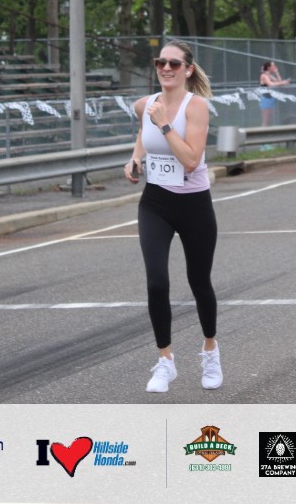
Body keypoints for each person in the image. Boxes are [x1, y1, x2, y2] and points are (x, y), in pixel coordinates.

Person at [124, 40, 223, 393]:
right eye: (160, 62)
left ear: (188, 70)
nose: (166, 68)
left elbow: (191, 160)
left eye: (174, 64)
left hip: (194, 205)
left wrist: (166, 125)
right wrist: (135, 157)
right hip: (156, 204)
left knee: (199, 282)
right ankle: (165, 361)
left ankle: (210, 351)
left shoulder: (196, 107)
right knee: (156, 282)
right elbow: (144, 131)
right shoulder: (144, 105)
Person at [259, 61, 290, 128]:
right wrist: (283, 83)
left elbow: (279, 82)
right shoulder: (264, 76)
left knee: (269, 121)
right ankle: (261, 133)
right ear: (268, 67)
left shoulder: (270, 76)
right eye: (273, 66)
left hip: (271, 98)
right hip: (265, 99)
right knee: (266, 121)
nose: (274, 67)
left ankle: (267, 132)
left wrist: (277, 72)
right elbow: (270, 84)